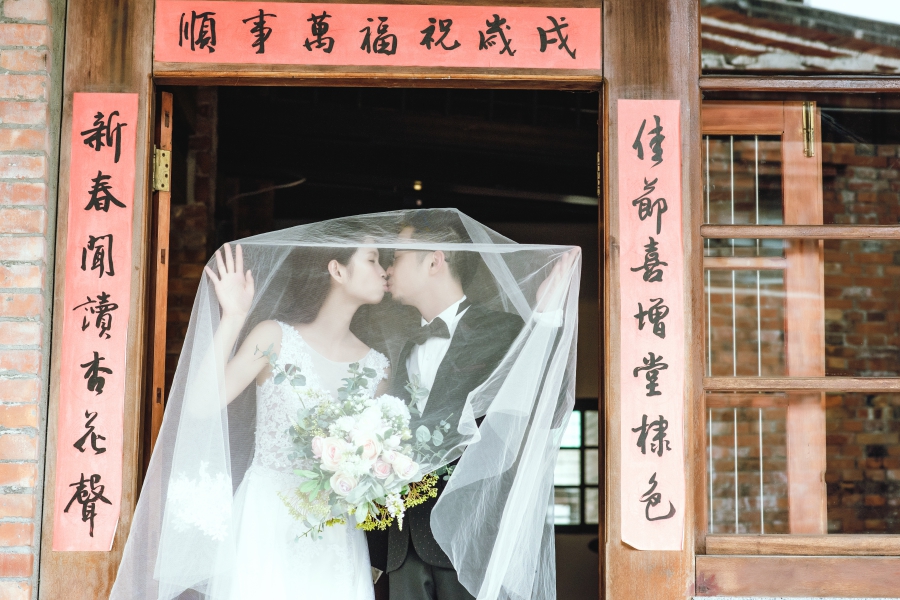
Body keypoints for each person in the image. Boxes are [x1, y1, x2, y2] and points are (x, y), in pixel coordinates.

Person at [369, 213, 578, 600]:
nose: (388, 268)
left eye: (396, 256)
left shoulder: (502, 332)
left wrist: (547, 316)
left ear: (434, 261)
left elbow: (547, 405)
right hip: (402, 546)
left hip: (468, 540)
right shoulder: (405, 347)